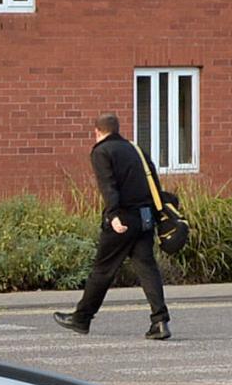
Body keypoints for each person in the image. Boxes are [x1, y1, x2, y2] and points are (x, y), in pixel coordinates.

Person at [54, 111, 172, 341]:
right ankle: (160, 321)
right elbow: (153, 184)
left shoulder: (102, 151)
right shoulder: (135, 149)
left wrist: (113, 215)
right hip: (145, 217)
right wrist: (157, 217)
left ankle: (81, 318)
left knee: (103, 269)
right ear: (117, 129)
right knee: (147, 268)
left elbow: (108, 186)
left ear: (97, 132)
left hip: (123, 218)